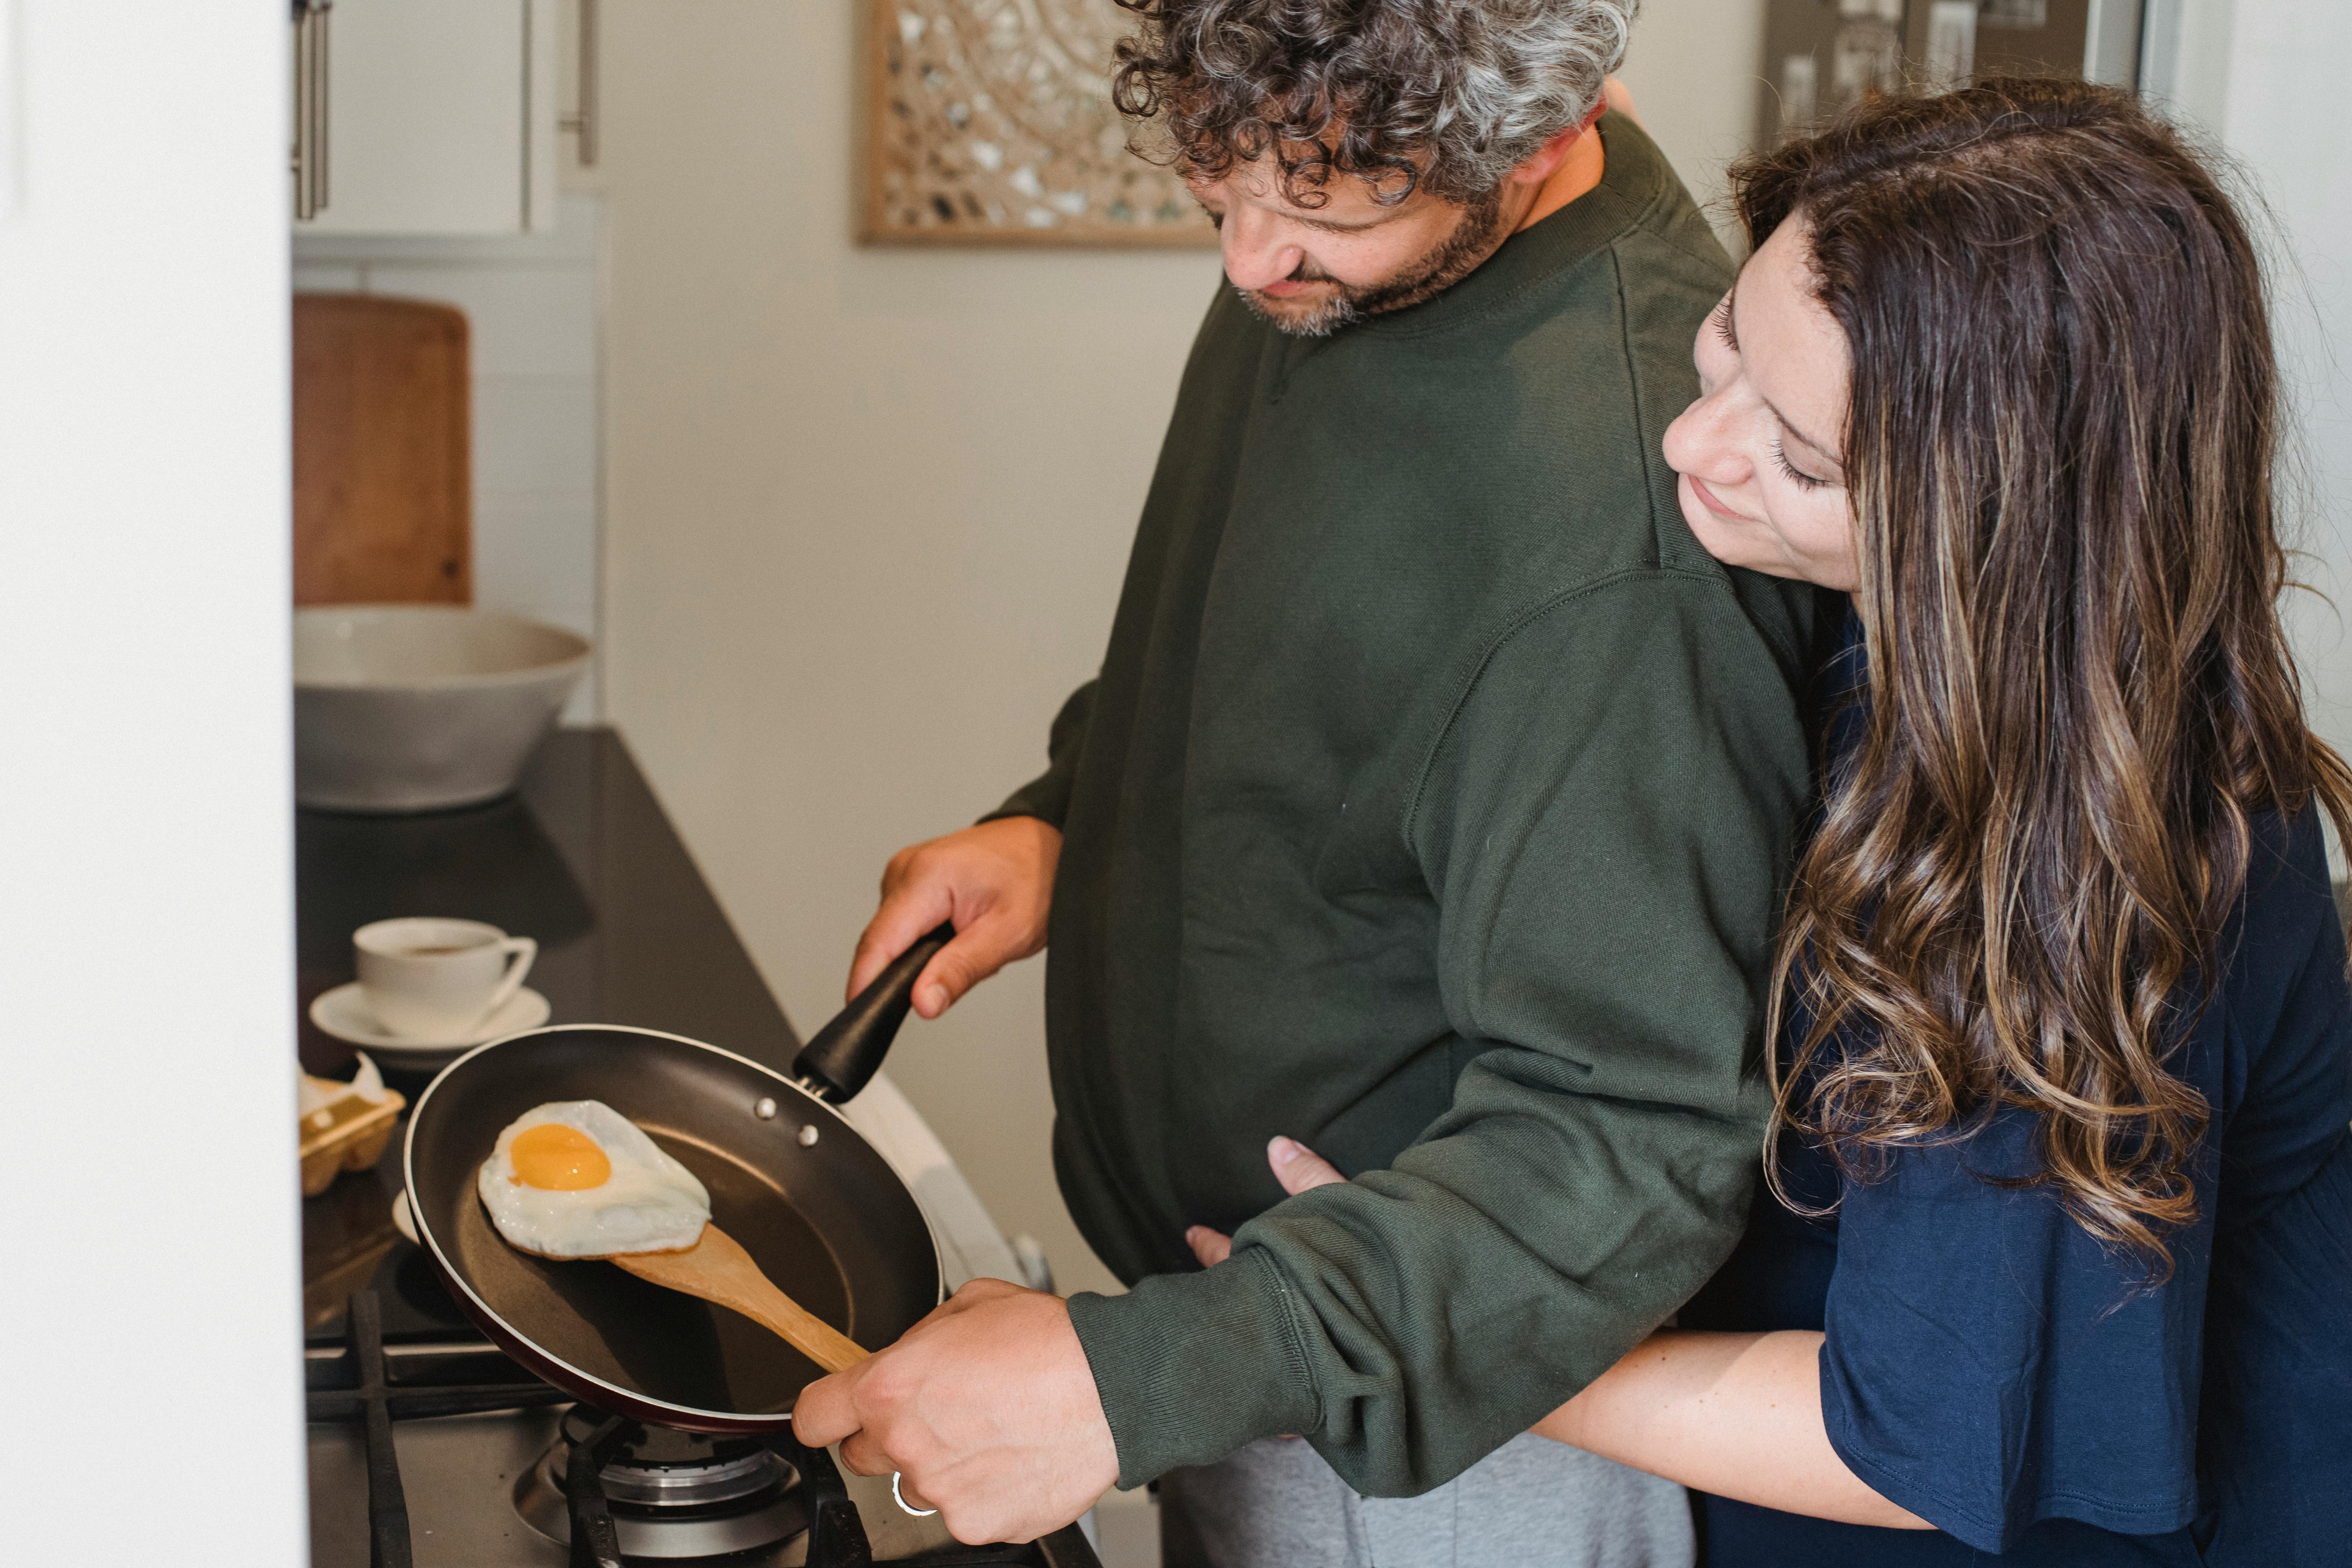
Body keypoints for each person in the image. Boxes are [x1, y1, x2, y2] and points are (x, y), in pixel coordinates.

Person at [1199, 78, 2352, 1565]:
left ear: (1993, 526)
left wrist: (1434, 1326)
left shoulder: (2079, 870)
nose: (1696, 443)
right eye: (1730, 336)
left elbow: (1910, 1443)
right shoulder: (1858, 627)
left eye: (1803, 461)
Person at [792, 0, 1835, 1560]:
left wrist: (1155, 1372)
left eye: (1318, 215)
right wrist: (1068, 817)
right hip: (1256, 1341)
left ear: (1541, 134)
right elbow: (1291, 656)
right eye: (1221, 193)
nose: (1249, 261)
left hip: (1433, 1427)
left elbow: (1631, 1133)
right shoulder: (1343, 224)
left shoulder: (1625, 523)